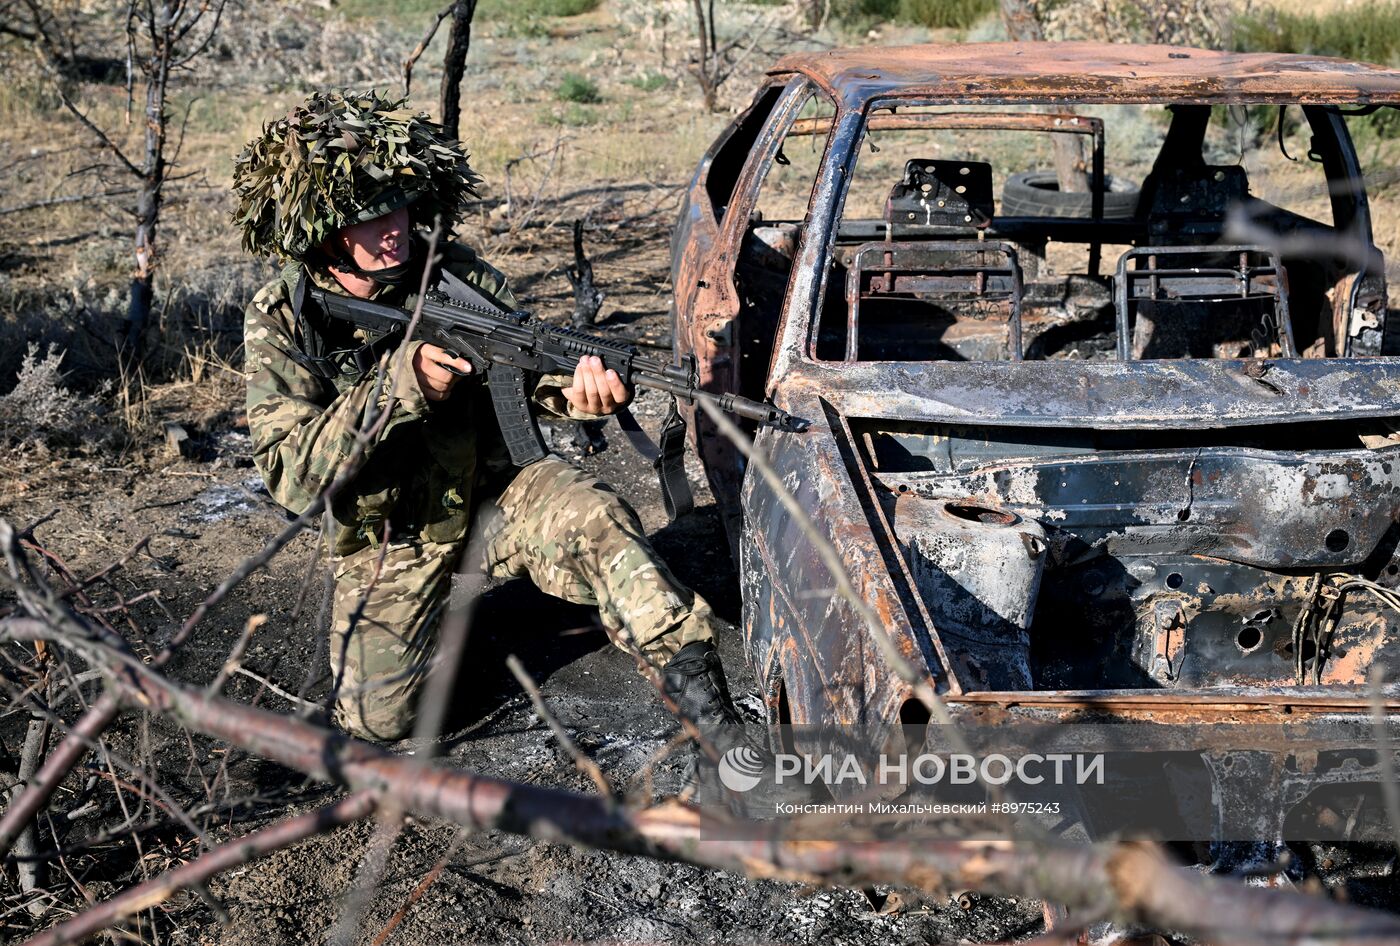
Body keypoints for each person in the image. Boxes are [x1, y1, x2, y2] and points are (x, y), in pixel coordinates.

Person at [232, 89, 741, 743]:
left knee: (598, 516)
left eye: (400, 207)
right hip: (394, 536)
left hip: (496, 497)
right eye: (369, 216)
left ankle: (708, 715)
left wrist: (580, 392)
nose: (393, 227)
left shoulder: (455, 278)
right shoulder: (285, 318)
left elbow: (526, 368)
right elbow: (291, 477)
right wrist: (397, 385)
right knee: (379, 723)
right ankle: (432, 625)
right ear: (322, 231)